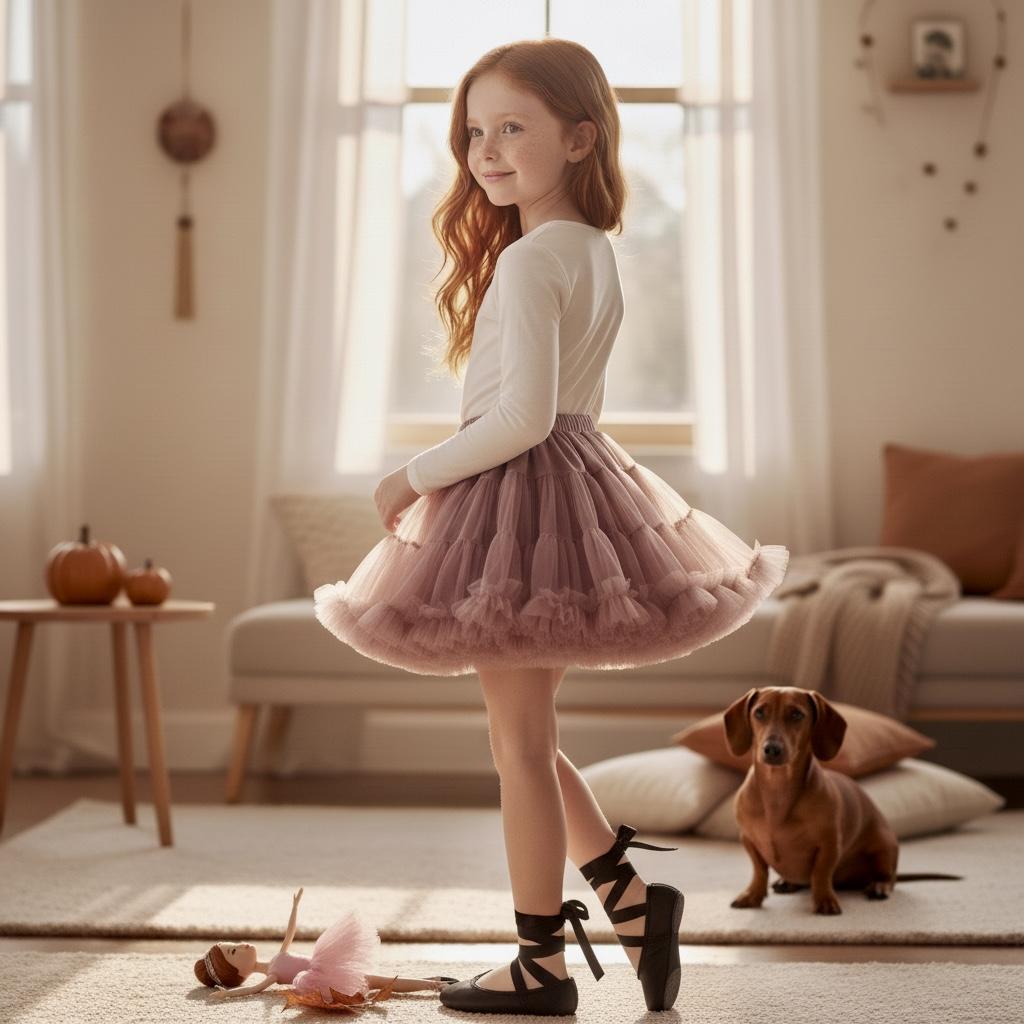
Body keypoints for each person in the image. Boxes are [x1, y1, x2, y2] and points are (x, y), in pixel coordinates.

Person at [313, 36, 790, 1015]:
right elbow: (561, 410)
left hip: (515, 499)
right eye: (474, 131)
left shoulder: (534, 261)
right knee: (525, 737)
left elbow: (521, 419)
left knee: (518, 746)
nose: (486, 150)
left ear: (579, 137)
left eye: (512, 128)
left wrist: (409, 476)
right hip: (566, 494)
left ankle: (541, 963)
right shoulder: (591, 251)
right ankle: (626, 899)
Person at [193, 888, 455, 1000]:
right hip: (325, 978)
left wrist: (295, 907)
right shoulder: (272, 974)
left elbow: (290, 931)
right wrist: (228, 994)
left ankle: (432, 982)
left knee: (378, 981)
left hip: (328, 964)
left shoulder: (277, 956)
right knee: (378, 981)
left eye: (235, 943)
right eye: (234, 951)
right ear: (238, 973)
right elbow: (253, 991)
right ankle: (434, 985)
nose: (243, 945)